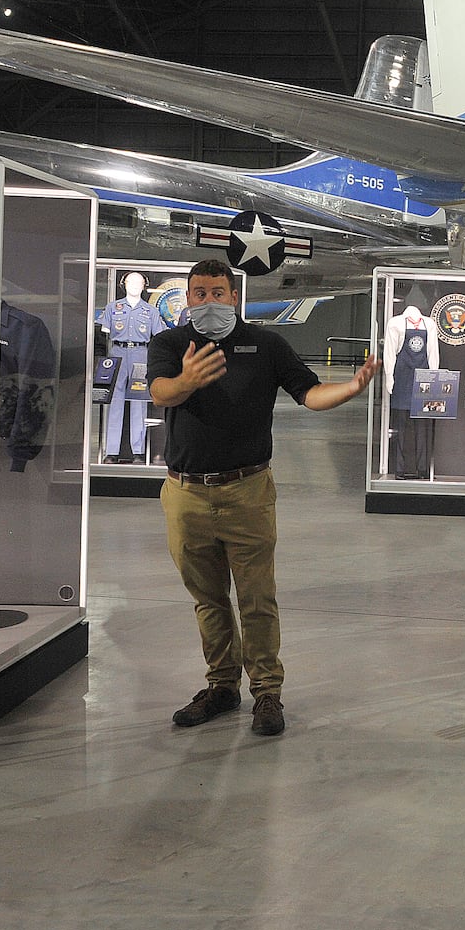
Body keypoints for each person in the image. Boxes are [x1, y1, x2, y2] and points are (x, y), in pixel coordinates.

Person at [149, 259, 379, 736]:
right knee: (207, 599)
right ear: (187, 297)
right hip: (186, 493)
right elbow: (160, 393)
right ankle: (221, 686)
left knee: (256, 599)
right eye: (199, 293)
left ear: (234, 296)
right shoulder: (171, 344)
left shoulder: (266, 345)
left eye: (217, 292)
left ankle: (267, 693)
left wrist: (353, 387)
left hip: (248, 491)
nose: (208, 301)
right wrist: (188, 381)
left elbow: (309, 393)